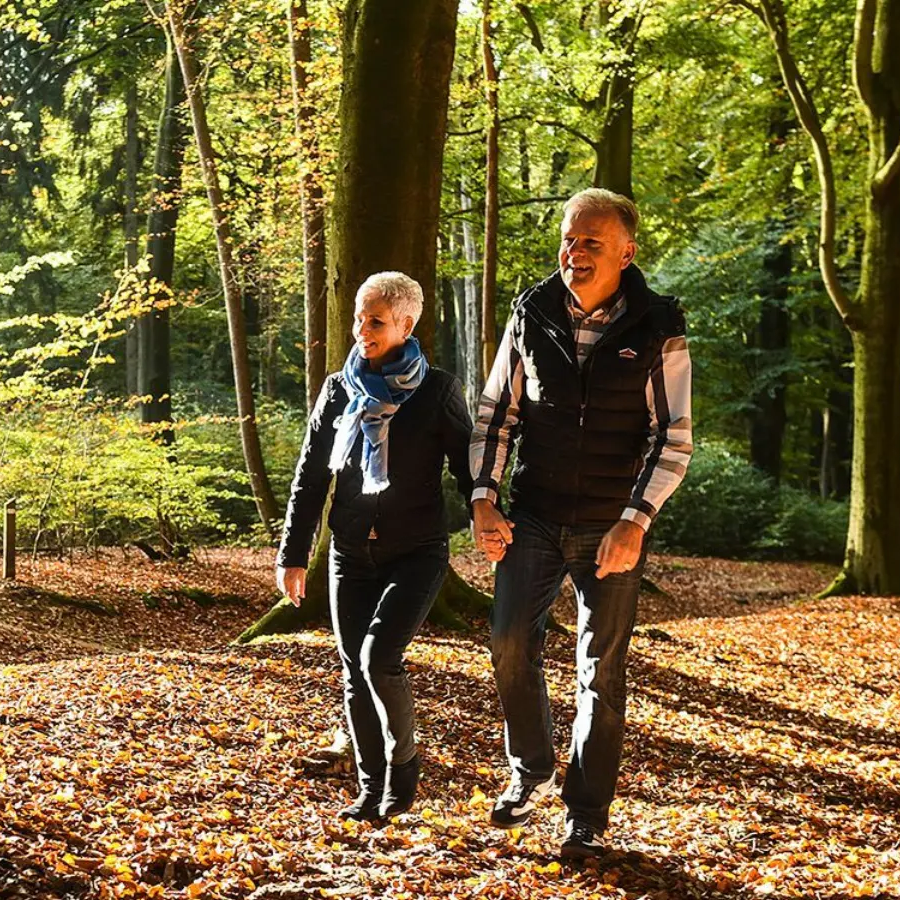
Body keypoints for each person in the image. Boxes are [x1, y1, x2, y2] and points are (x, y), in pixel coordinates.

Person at [468, 188, 693, 860]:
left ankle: (587, 815)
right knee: (509, 642)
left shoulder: (659, 326)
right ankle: (530, 766)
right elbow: (495, 415)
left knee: (602, 671)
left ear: (627, 250)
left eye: (592, 241)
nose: (575, 252)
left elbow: (672, 436)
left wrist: (636, 520)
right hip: (532, 516)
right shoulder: (531, 313)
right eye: (569, 239)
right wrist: (483, 498)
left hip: (611, 527)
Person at [275, 271, 476, 822]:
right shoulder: (339, 389)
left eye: (376, 321)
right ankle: (371, 790)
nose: (362, 330)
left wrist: (490, 515)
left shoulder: (437, 390)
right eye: (359, 319)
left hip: (416, 552)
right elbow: (311, 476)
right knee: (351, 671)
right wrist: (293, 556)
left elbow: (467, 467)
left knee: (378, 658)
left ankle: (404, 766)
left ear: (406, 324)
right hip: (348, 554)